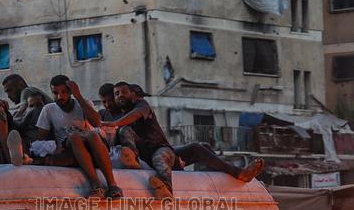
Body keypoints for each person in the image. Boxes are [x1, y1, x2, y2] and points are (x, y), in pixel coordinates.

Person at [103, 82, 263, 198]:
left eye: (125, 93)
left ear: (134, 96)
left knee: (198, 147)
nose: (120, 96)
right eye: (117, 94)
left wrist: (115, 123)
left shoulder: (141, 107)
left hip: (160, 150)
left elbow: (135, 115)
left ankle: (234, 175)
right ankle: (142, 167)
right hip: (145, 155)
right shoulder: (111, 115)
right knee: (134, 137)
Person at [31, 75, 122, 199]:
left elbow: (96, 123)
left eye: (63, 92)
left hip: (91, 146)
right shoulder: (49, 109)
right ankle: (97, 186)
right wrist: (53, 149)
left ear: (70, 91)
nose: (60, 97)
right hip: (69, 149)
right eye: (55, 93)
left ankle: (113, 186)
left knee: (92, 134)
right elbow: (40, 140)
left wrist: (78, 96)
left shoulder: (83, 103)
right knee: (74, 136)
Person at [97, 83, 141, 169]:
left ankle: (134, 160)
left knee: (124, 130)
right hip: (111, 154)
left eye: (110, 100)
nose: (108, 105)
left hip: (130, 152)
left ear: (116, 97)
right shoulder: (102, 114)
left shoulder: (127, 113)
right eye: (104, 102)